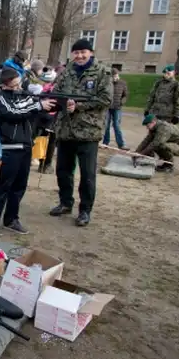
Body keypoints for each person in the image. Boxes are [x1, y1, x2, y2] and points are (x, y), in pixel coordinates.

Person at [0, 68, 57, 236]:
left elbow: (37, 110)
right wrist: (37, 105)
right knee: (4, 185)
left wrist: (55, 106)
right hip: (11, 148)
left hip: (26, 147)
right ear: (5, 85)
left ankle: (11, 219)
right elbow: (13, 113)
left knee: (19, 186)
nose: (19, 87)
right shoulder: (1, 99)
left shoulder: (23, 94)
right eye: (15, 84)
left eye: (19, 83)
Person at [48, 38, 112, 227]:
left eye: (83, 52)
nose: (80, 56)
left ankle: (85, 210)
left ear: (90, 53)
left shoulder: (102, 72)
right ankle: (65, 202)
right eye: (76, 52)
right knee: (63, 171)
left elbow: (105, 99)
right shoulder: (66, 72)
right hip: (66, 130)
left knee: (87, 174)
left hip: (88, 132)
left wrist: (79, 106)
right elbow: (56, 92)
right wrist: (61, 103)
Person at [102, 68, 129, 150]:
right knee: (106, 125)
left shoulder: (123, 83)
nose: (115, 77)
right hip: (108, 107)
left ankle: (121, 144)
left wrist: (122, 102)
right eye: (113, 76)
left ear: (118, 75)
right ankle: (105, 143)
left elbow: (126, 95)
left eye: (116, 75)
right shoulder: (108, 83)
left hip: (117, 107)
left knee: (116, 125)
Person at [37, 69, 58, 174]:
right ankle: (46, 164)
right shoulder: (54, 89)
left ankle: (42, 163)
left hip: (43, 116)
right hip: (51, 117)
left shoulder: (45, 88)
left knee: (43, 140)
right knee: (50, 142)